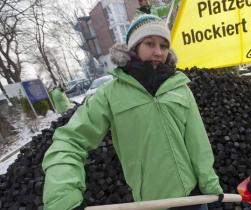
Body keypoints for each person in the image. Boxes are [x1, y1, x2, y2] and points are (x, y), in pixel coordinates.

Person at [42, 14, 223, 210]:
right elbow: (69, 141)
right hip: (151, 204)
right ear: (134, 48)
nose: (158, 52)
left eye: (163, 46)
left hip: (193, 200)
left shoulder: (180, 88)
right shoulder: (109, 95)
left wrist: (212, 190)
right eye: (150, 43)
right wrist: (63, 200)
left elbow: (198, 145)